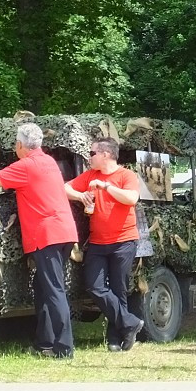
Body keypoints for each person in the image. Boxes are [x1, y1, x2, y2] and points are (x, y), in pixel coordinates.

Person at [0, 123, 77, 358]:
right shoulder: (49, 162)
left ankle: (65, 347)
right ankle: (44, 342)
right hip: (64, 232)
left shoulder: (25, 166)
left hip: (46, 235)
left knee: (54, 290)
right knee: (44, 288)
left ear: (19, 145)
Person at [65, 137, 144, 352]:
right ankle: (130, 323)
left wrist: (106, 186)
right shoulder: (90, 175)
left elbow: (131, 198)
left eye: (92, 153)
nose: (89, 157)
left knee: (119, 290)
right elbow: (65, 188)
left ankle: (116, 339)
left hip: (123, 241)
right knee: (95, 286)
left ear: (106, 155)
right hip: (98, 242)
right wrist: (81, 196)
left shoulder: (126, 175)